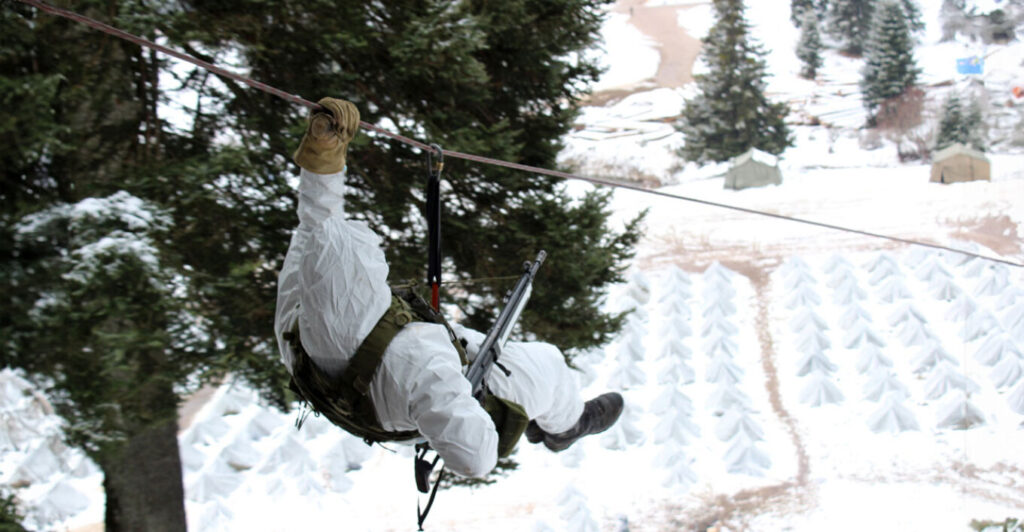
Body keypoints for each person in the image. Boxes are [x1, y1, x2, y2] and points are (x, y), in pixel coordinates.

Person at [274, 97, 624, 478]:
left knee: (463, 343)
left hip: (372, 392)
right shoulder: (422, 363)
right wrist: (464, 407)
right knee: (548, 365)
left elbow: (318, 220)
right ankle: (566, 427)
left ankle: (507, 402)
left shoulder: (298, 311)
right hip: (414, 400)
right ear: (370, 288)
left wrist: (325, 144)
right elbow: (476, 461)